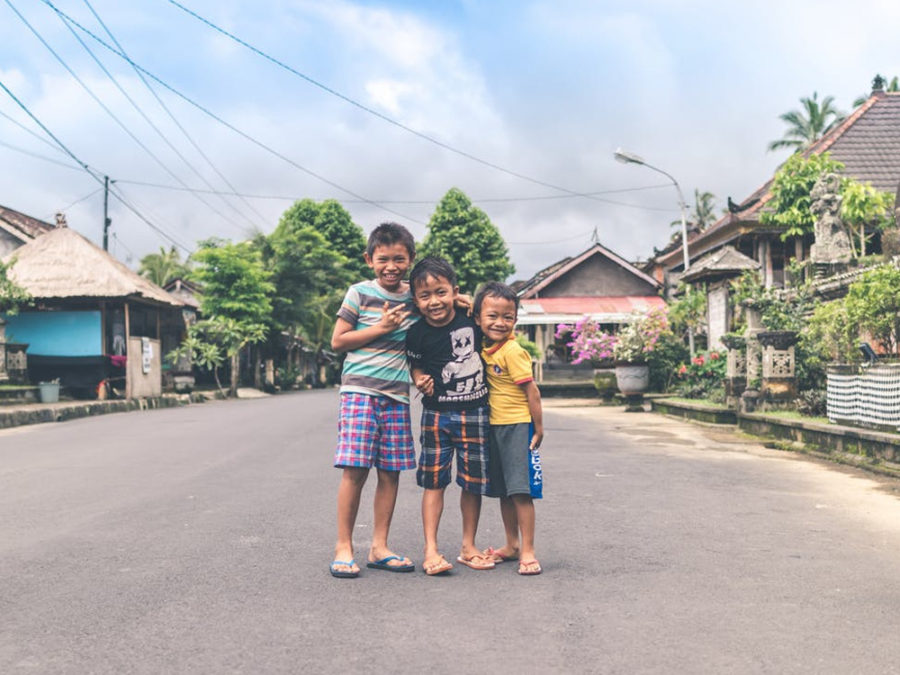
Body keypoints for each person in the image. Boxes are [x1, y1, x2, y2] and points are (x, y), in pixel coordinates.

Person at [329, 222, 419, 578]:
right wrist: (381, 328)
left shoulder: (415, 296)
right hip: (360, 392)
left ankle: (379, 547)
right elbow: (338, 341)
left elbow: (440, 304)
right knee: (355, 470)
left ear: (411, 259)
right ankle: (343, 547)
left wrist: (460, 300)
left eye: (399, 259)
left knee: (390, 472)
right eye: (383, 260)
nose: (391, 267)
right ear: (369, 260)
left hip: (397, 395)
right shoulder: (359, 293)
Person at [406, 256, 495, 576]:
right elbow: (416, 366)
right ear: (415, 300)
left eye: (441, 292)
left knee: (472, 482)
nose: (434, 302)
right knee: (434, 482)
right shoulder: (416, 334)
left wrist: (471, 303)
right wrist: (419, 379)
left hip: (475, 413)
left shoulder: (471, 319)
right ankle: (430, 549)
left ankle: (468, 546)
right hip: (436, 415)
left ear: (455, 292)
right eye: (425, 296)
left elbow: (496, 321)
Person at [474, 281, 544, 576]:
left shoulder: (512, 351)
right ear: (478, 318)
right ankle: (512, 544)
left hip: (517, 426)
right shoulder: (484, 346)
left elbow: (532, 391)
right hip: (494, 427)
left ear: (515, 319)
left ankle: (528, 550)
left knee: (520, 491)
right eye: (492, 316)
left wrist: (538, 428)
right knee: (504, 490)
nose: (500, 323)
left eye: (508, 317)